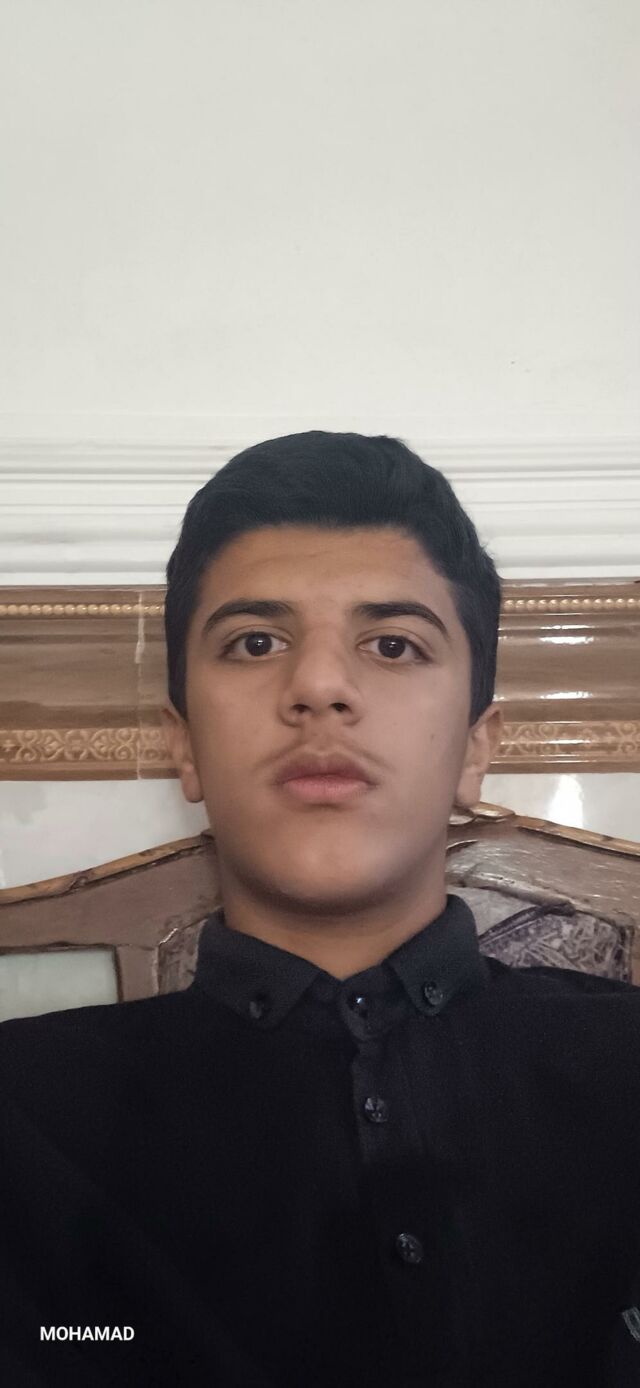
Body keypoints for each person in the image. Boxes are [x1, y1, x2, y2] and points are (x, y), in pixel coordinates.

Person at [0, 431, 638, 1387]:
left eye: (394, 645)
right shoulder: (24, 1122)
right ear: (184, 746)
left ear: (476, 747)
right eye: (256, 643)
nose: (320, 687)